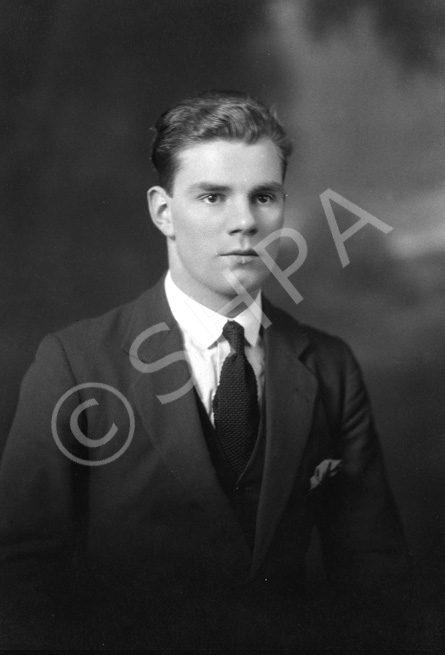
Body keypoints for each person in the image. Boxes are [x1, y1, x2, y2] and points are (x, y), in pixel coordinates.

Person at [0, 91, 411, 650]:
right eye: (213, 196)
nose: (245, 222)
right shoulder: (76, 364)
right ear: (163, 211)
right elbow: (21, 579)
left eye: (263, 196)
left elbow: (374, 569)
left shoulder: (330, 364)